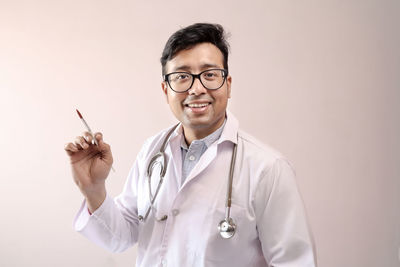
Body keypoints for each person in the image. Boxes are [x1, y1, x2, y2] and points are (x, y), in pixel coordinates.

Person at [64, 23, 317, 267]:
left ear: (228, 86)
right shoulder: (153, 152)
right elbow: (120, 237)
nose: (196, 89)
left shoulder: (269, 169)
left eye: (209, 75)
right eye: (182, 77)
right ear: (166, 90)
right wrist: (94, 189)